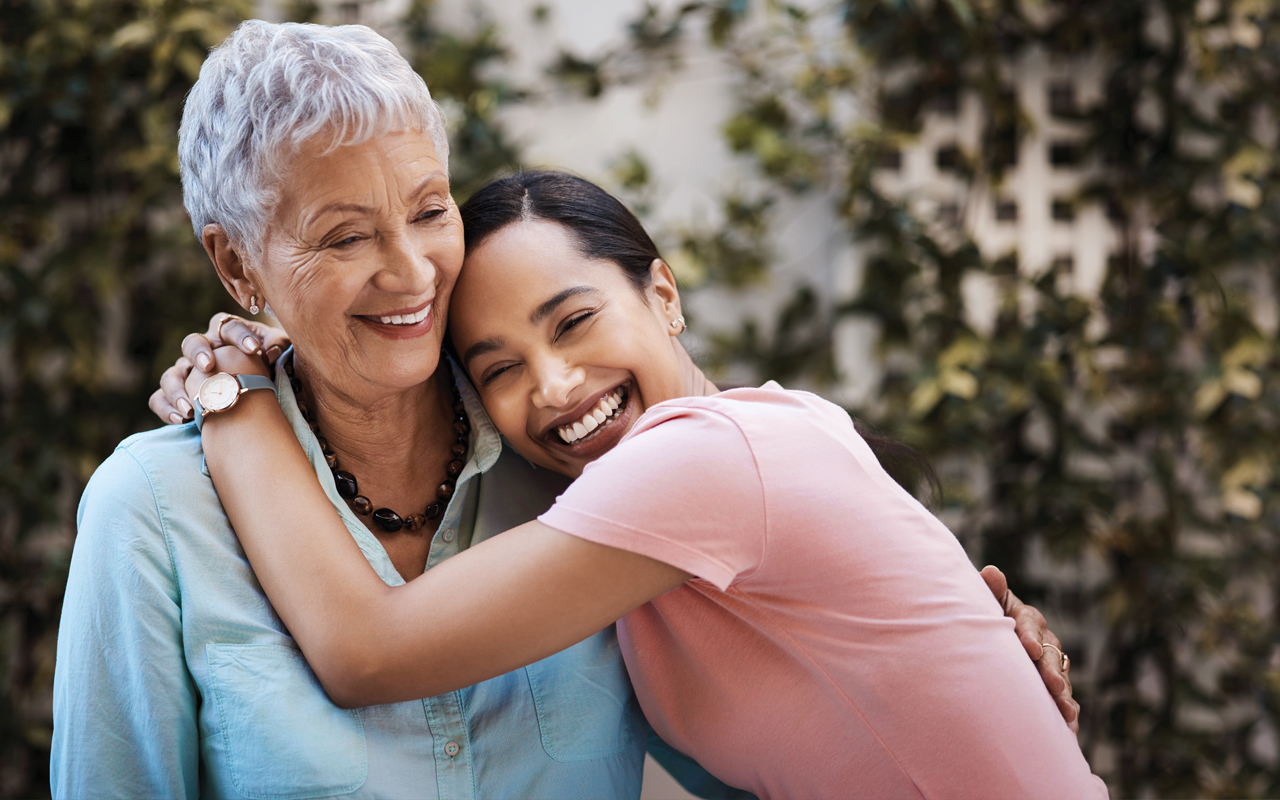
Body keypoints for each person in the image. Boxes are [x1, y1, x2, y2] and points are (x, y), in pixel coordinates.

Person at [164, 171, 1105, 799]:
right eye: (500, 369)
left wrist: (237, 395)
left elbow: (366, 653)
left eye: (572, 322)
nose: (555, 386)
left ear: (662, 294)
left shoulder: (707, 459)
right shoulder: (619, 534)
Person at [52, 22, 653, 800]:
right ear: (237, 266)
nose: (412, 273)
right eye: (344, 238)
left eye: (431, 211)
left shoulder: (562, 445)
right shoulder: (153, 513)